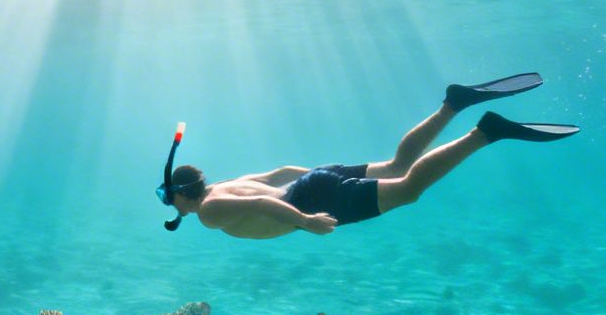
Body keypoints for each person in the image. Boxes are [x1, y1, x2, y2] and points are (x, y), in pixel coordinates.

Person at [155, 74, 577, 239]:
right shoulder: (224, 183)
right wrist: (321, 177)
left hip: (313, 199)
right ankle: (453, 103)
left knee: (409, 189)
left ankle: (485, 132)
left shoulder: (210, 209)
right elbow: (280, 172)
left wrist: (307, 219)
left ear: (180, 193)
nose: (166, 203)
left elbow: (264, 202)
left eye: (164, 195)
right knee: (397, 166)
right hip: (315, 182)